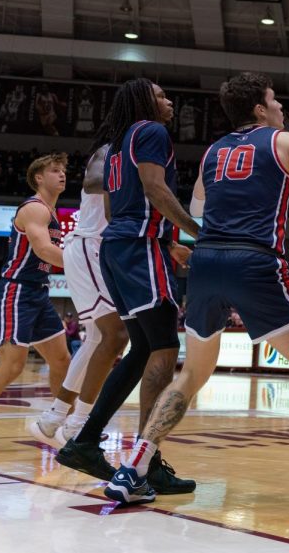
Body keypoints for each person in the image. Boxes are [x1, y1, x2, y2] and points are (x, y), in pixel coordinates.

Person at [104, 73, 289, 512]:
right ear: (260, 110)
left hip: (205, 261)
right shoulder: (284, 141)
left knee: (192, 374)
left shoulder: (212, 153)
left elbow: (201, 212)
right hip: (255, 262)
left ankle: (134, 469)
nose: (280, 106)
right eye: (274, 100)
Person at [56, 79, 196, 494]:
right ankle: (144, 462)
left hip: (118, 247)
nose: (169, 100)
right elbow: (155, 188)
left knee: (140, 351)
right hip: (138, 247)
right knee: (165, 348)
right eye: (161, 95)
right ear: (143, 103)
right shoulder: (151, 132)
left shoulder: (118, 144)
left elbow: (117, 205)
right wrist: (194, 232)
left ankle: (84, 442)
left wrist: (165, 239)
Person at [28, 144, 129, 448]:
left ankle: (55, 420)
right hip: (89, 247)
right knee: (116, 335)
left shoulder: (132, 148)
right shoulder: (112, 149)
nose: (169, 104)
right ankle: (74, 423)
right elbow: (95, 182)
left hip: (98, 250)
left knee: (99, 339)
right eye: (161, 96)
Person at [0, 153, 72, 453]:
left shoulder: (52, 213)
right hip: (17, 291)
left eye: (64, 170)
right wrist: (85, 265)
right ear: (39, 178)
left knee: (62, 360)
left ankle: (65, 424)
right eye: (55, 171)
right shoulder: (34, 209)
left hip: (38, 292)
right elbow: (42, 250)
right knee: (13, 365)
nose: (62, 174)